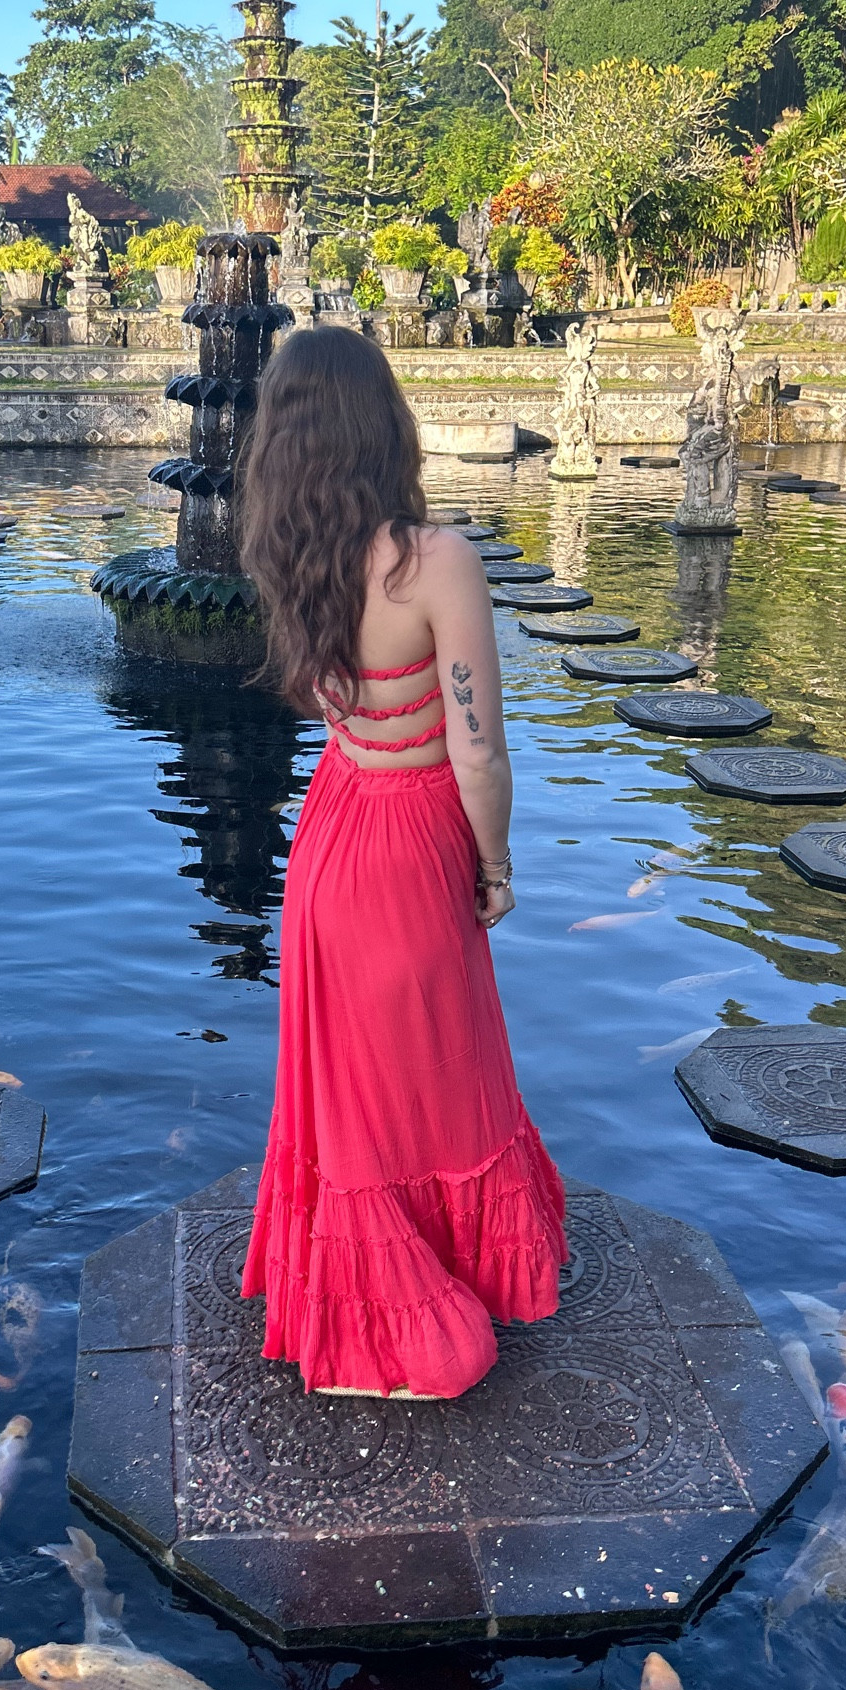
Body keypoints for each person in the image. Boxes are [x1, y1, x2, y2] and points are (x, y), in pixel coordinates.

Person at [237, 327, 565, 1399]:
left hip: (333, 837)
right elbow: (477, 746)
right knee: (442, 1068)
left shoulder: (288, 555)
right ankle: (405, 1322)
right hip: (415, 838)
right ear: (385, 421)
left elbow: (337, 719)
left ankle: (358, 1286)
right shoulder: (435, 561)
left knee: (356, 1096)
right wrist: (499, 865)